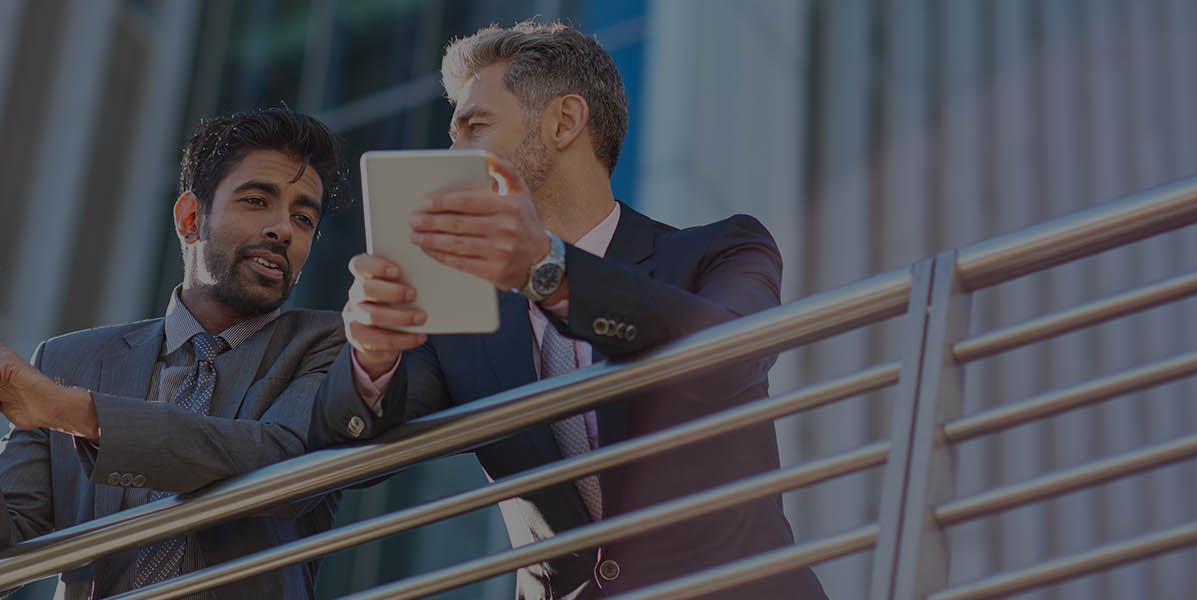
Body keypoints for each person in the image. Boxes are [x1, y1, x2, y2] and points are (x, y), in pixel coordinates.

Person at [310, 22, 828, 599]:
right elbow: (360, 450)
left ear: (563, 122)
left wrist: (548, 272)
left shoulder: (725, 251)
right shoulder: (458, 320)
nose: (452, 155)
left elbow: (730, 359)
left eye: (474, 127)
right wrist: (372, 358)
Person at [0, 108, 348, 598]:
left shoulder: (328, 346)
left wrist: (68, 410)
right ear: (190, 218)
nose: (283, 229)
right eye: (256, 200)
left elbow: (280, 462)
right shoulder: (67, 363)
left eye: (303, 217)